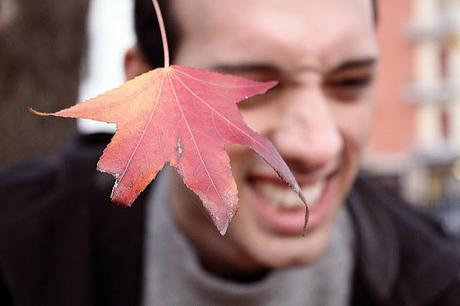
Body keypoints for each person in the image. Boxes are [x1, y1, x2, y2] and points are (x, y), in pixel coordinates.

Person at [1, 0, 459, 305]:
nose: (317, 145)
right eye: (245, 91)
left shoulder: (433, 284)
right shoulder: (20, 249)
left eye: (350, 83)